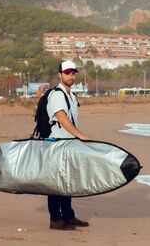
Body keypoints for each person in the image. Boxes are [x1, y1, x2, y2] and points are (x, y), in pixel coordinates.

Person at [46, 60, 90, 230]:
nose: (70, 76)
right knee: (56, 183)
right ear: (60, 74)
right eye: (67, 73)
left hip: (68, 144)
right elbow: (62, 119)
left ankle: (68, 216)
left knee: (68, 182)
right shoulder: (57, 94)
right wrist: (81, 136)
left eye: (73, 73)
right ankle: (55, 220)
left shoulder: (70, 95)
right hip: (57, 144)